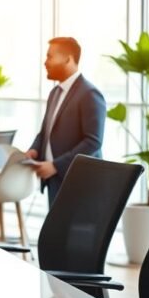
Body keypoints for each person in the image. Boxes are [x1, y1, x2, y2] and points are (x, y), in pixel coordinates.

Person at [25, 37, 105, 208]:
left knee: (72, 234)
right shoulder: (55, 93)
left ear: (68, 59)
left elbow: (93, 142)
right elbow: (45, 131)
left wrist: (55, 166)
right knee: (56, 233)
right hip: (54, 181)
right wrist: (34, 150)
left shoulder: (89, 94)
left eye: (50, 57)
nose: (45, 62)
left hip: (78, 184)